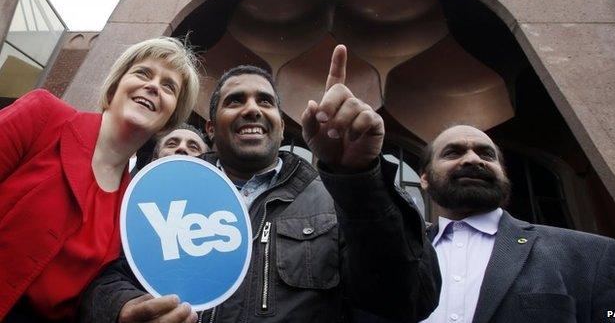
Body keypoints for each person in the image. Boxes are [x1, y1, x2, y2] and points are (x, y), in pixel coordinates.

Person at [79, 45, 441, 323]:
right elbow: (101, 278)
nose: (252, 109)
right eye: (236, 101)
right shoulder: (162, 192)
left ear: (280, 126)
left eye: (265, 101)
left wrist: (359, 180)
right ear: (210, 127)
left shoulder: (335, 200)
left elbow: (407, 299)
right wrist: (121, 306)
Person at [0, 37, 200, 322]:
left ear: (170, 117)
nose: (154, 86)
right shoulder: (43, 115)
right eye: (143, 73)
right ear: (115, 85)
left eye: (169, 86)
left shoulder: (137, 207)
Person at [420, 124, 615, 323]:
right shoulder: (402, 255)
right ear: (425, 179)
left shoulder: (594, 255)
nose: (474, 159)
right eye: (453, 153)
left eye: (487, 155)